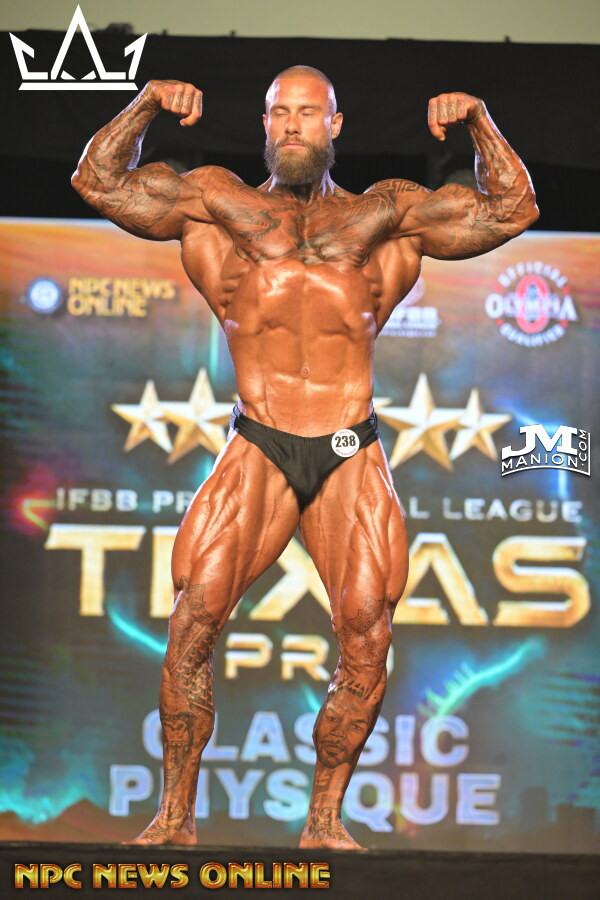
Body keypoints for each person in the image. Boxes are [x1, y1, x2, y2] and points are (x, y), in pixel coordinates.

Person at [72, 65, 538, 848]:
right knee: (193, 621)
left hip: (348, 444)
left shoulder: (384, 215)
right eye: (279, 112)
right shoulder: (217, 204)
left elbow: (513, 208)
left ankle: (323, 823)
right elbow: (98, 180)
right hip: (261, 438)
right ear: (264, 124)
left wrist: (478, 122)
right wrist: (145, 104)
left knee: (367, 634)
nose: (292, 125)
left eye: (307, 113)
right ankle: (175, 819)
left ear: (334, 124)